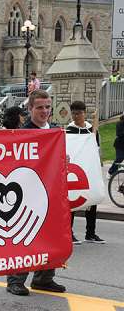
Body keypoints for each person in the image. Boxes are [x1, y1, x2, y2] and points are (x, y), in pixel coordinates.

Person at [6, 89, 66, 296]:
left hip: (51, 192)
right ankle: (15, 279)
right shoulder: (22, 133)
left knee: (51, 235)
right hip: (26, 192)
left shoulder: (57, 132)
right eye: (39, 107)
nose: (45, 111)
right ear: (30, 108)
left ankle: (44, 278)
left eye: (48, 107)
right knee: (24, 234)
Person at [66, 102, 105, 245]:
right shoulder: (69, 130)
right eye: (74, 113)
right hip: (76, 170)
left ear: (84, 113)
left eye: (79, 113)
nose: (77, 116)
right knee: (73, 201)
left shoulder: (91, 129)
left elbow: (96, 147)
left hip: (89, 169)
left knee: (92, 200)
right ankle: (69, 233)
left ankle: (90, 233)